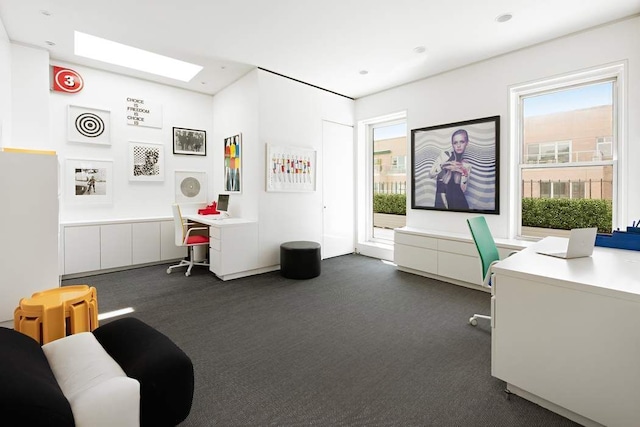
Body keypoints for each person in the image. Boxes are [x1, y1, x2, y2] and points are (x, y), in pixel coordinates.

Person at [428, 129, 472, 210]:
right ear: (452, 144)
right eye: (455, 142)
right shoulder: (445, 155)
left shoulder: (467, 165)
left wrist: (462, 172)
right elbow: (431, 174)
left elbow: (463, 190)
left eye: (462, 142)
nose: (458, 145)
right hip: (442, 198)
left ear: (467, 143)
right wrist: (443, 166)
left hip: (459, 202)